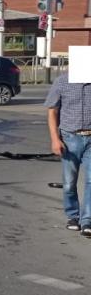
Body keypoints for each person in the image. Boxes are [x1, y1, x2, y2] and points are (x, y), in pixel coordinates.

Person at [46, 72, 91, 236]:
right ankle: (73, 216)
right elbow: (52, 111)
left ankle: (87, 220)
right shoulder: (62, 81)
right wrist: (55, 140)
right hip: (70, 139)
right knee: (69, 182)